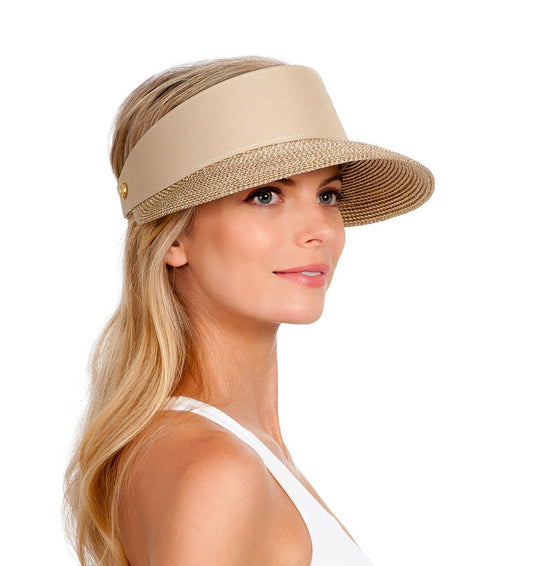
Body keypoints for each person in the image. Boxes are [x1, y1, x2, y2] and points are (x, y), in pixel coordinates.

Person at [64, 55, 434, 566]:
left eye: (328, 195)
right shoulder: (219, 470)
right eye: (265, 195)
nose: (320, 230)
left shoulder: (218, 449)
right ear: (174, 238)